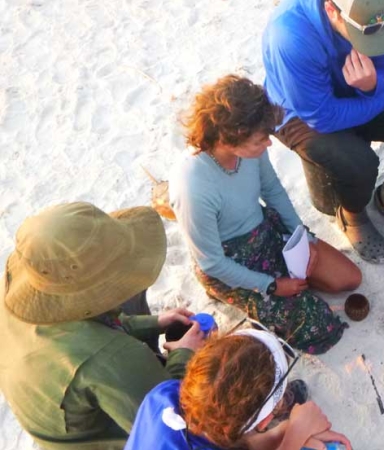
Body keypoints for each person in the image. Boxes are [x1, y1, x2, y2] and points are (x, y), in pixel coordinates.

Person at [171, 75, 361, 356]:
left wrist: (302, 236)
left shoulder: (250, 150)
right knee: (322, 330)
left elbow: (272, 191)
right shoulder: (192, 186)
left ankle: (290, 289)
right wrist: (271, 285)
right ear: (230, 139)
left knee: (349, 278)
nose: (269, 145)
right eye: (261, 140)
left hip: (264, 230)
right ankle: (237, 295)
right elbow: (211, 262)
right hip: (230, 259)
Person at [0, 202, 206, 449]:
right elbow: (164, 419)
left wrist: (153, 323)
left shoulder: (26, 289)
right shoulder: (109, 356)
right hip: (102, 438)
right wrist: (184, 355)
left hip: (53, 402)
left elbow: (85, 323)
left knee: (132, 299)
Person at [263, 0, 384, 264]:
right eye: (367, 33)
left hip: (363, 87)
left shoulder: (383, 10)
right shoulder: (289, 35)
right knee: (359, 163)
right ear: (331, 10)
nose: (378, 38)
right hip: (301, 112)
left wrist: (371, 87)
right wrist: (383, 96)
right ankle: (351, 215)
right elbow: (322, 117)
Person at [126, 328, 352, 450]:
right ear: (264, 422)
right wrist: (296, 434)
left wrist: (285, 431)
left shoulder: (165, 393)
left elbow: (231, 441)